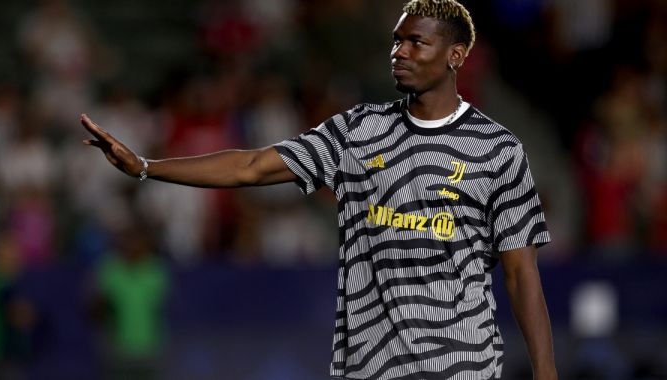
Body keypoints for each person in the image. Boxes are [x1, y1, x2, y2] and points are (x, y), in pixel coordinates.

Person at [81, 0, 558, 378]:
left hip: (463, 366)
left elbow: (520, 274)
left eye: (416, 42)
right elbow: (250, 166)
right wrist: (146, 166)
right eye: (396, 41)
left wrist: (546, 372)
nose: (399, 52)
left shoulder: (498, 150)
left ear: (456, 56)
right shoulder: (356, 131)